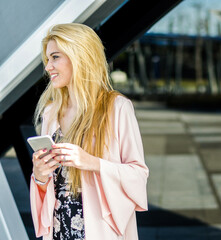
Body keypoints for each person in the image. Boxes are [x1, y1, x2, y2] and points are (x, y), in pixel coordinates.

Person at [30, 23, 148, 240]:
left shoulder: (117, 108)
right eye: (47, 59)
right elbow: (47, 185)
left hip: (99, 232)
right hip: (59, 231)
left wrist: (91, 162)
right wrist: (39, 174)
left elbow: (138, 176)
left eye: (55, 57)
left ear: (79, 56)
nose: (48, 67)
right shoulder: (50, 112)